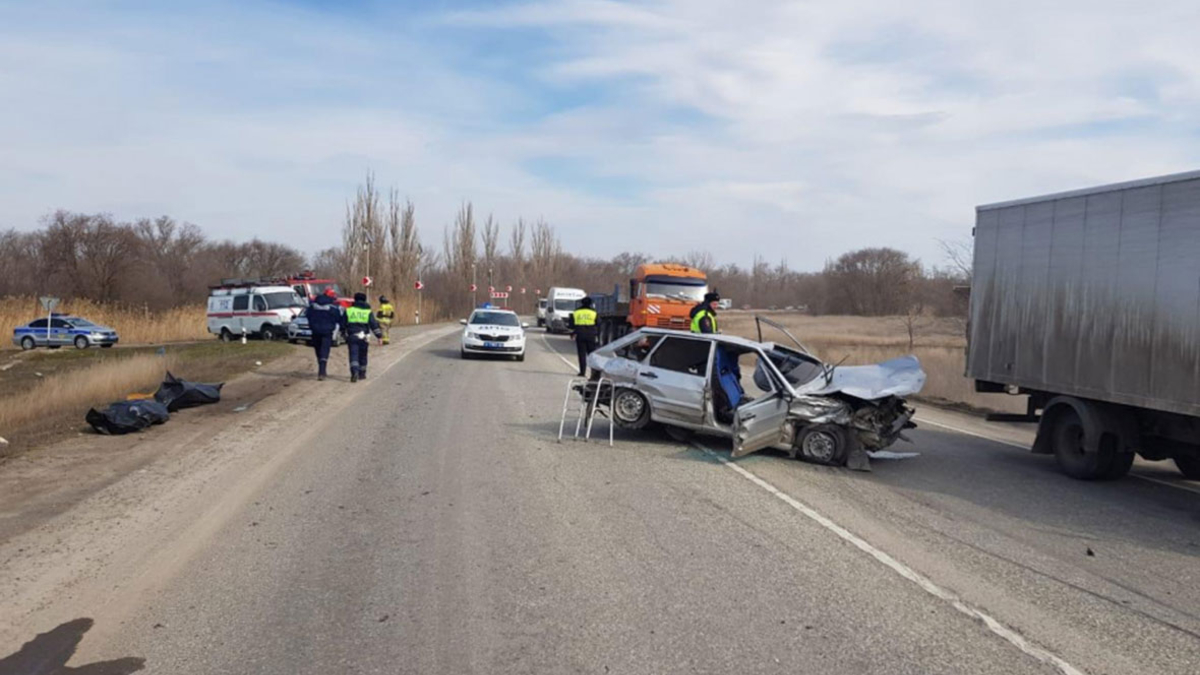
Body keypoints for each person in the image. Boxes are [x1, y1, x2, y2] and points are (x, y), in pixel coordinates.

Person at [343, 292, 383, 383]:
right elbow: (373, 325)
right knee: (363, 355)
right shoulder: (367, 311)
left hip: (352, 335)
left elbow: (343, 324)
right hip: (364, 337)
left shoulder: (349, 310)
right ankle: (362, 374)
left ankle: (354, 372)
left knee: (353, 355)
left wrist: (343, 334)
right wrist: (379, 336)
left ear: (355, 299)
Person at [306, 291, 343, 381]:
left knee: (318, 350)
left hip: (315, 331)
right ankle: (322, 371)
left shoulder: (312, 307)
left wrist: (313, 324)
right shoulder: (333, 308)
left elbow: (307, 315)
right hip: (327, 332)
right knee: (325, 350)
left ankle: (321, 367)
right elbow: (339, 319)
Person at [568, 296, 599, 377]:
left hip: (580, 335)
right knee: (592, 355)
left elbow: (571, 325)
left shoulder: (576, 312)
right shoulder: (594, 313)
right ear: (591, 304)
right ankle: (595, 373)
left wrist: (572, 333)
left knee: (582, 354)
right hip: (591, 335)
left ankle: (582, 372)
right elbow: (598, 324)